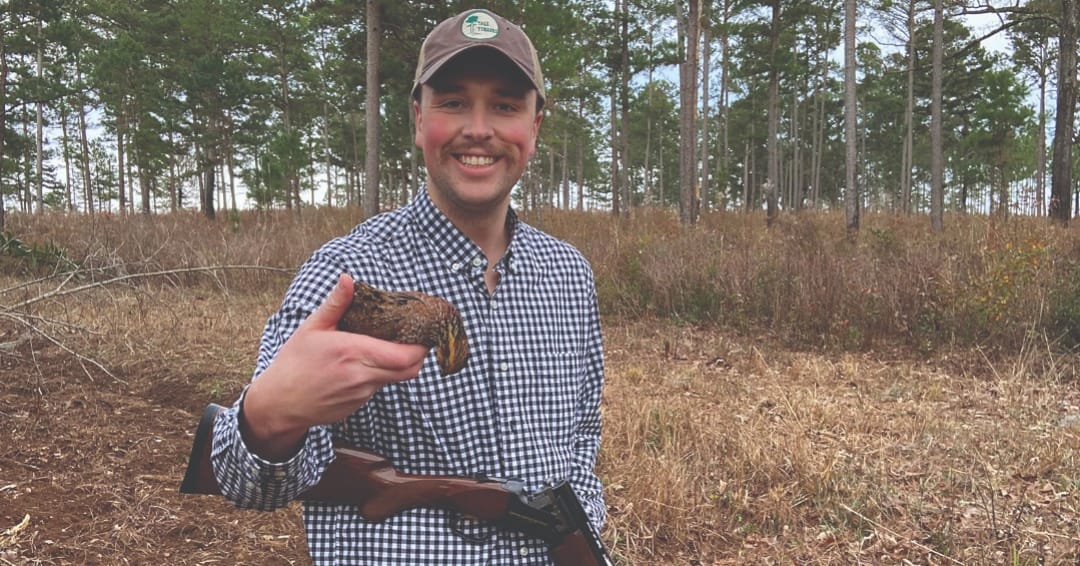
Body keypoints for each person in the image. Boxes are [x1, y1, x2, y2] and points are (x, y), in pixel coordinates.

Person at [210, 8, 606, 564]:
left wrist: (577, 520)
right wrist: (270, 417)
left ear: (535, 127)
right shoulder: (346, 274)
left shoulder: (568, 274)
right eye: (452, 102)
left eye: (505, 105)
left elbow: (582, 437)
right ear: (418, 120)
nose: (478, 128)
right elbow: (242, 481)